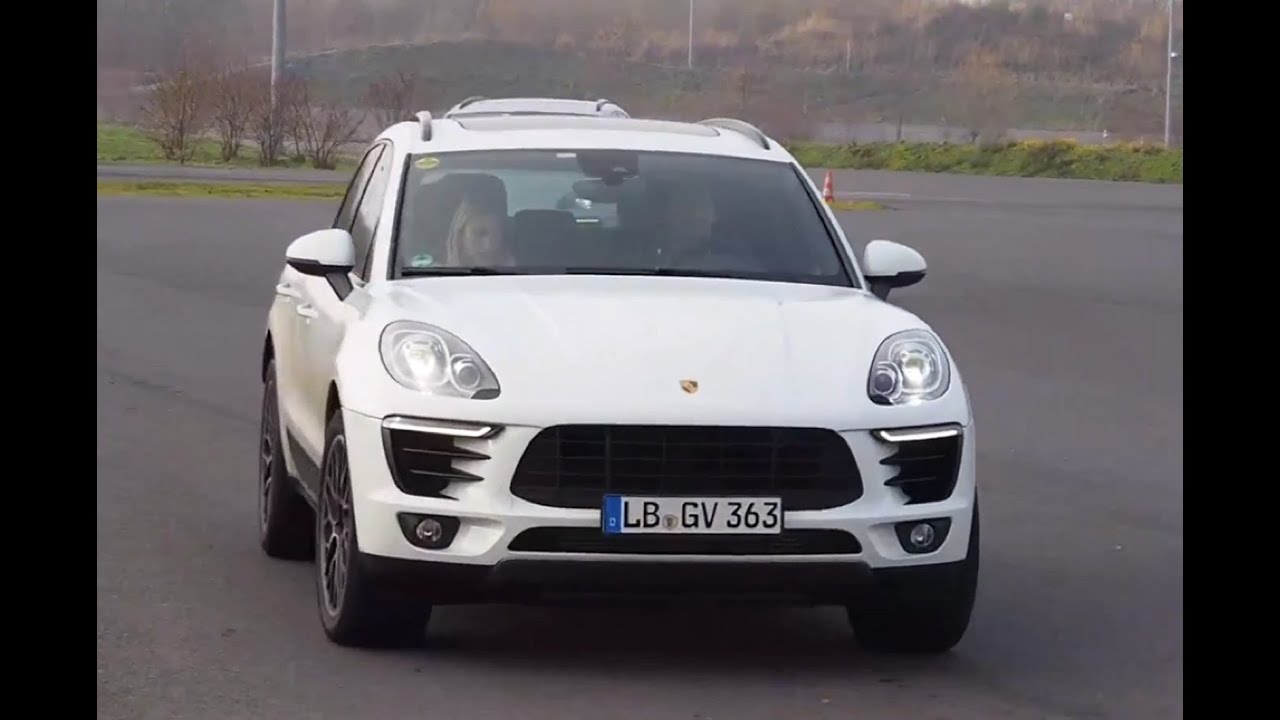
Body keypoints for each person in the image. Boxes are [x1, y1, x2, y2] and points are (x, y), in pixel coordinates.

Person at [443, 196, 513, 267]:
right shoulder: (436, 275)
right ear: (460, 238)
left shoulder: (518, 274)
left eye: (495, 235)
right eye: (479, 234)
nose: (489, 244)